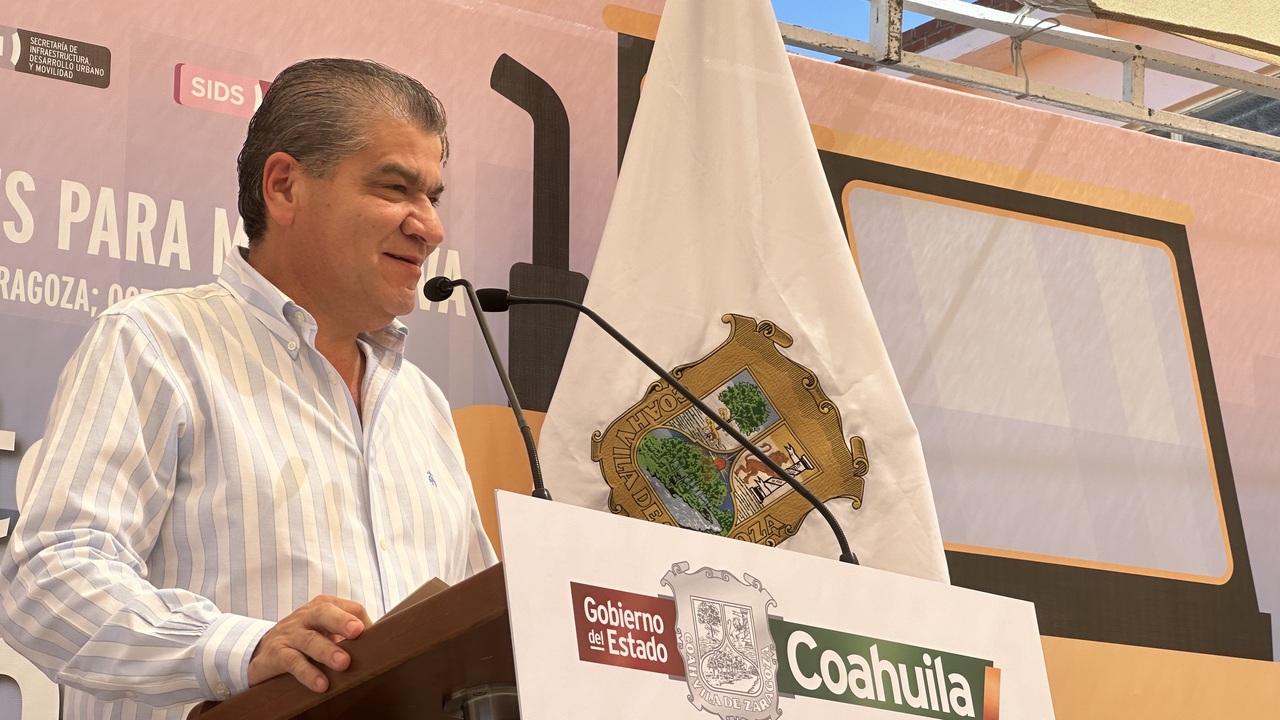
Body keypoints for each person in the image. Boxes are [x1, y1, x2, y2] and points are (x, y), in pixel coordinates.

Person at [0, 58, 496, 719]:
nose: (429, 226)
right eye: (395, 188)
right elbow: (49, 580)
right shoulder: (158, 343)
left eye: (433, 197)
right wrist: (243, 649)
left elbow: (476, 631)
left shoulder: (422, 402)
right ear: (285, 187)